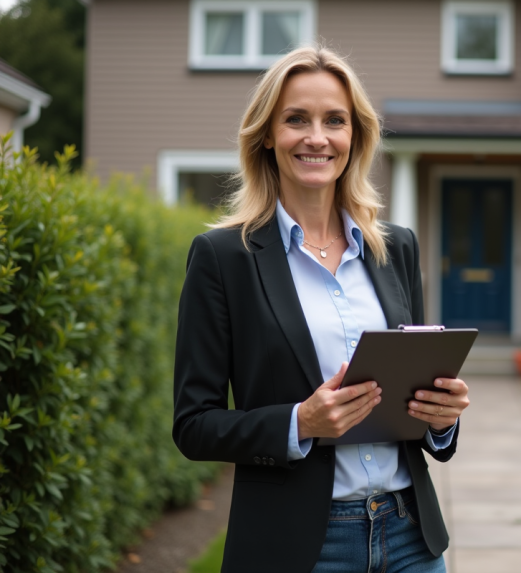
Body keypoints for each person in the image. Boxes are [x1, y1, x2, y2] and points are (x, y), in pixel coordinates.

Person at [172, 45, 470, 573]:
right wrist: (299, 423)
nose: (317, 137)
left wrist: (439, 419)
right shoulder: (223, 258)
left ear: (355, 136)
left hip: (409, 537)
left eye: (335, 120)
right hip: (299, 544)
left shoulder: (394, 247)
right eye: (296, 120)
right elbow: (194, 424)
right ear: (267, 134)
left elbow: (411, 398)